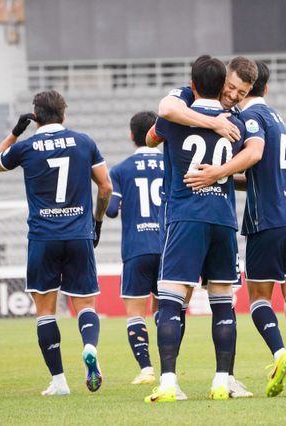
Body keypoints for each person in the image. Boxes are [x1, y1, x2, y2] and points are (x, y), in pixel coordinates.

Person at [183, 61, 286, 398]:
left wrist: (217, 173)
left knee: (259, 298)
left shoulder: (249, 118)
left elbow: (254, 155)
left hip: (270, 219)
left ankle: (280, 353)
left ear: (244, 90)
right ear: (266, 89)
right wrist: (228, 176)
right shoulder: (276, 118)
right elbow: (262, 172)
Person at [146, 55, 257, 399]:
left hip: (185, 217)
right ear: (222, 84)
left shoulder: (175, 116)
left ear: (192, 84)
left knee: (171, 300)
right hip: (222, 219)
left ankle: (168, 383)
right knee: (223, 301)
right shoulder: (236, 122)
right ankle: (222, 381)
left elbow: (151, 137)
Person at [0, 90, 112, 396]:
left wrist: (15, 132)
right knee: (85, 304)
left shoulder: (26, 147)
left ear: (35, 118)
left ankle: (59, 382)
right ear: (64, 115)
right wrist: (96, 222)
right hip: (79, 235)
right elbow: (106, 187)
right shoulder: (84, 142)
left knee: (45, 311)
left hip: (43, 237)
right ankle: (89, 347)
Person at [104, 111, 162, 386]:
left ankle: (146, 369)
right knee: (166, 311)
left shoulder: (120, 170)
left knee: (136, 312)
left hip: (137, 248)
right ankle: (170, 368)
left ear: (131, 135)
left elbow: (111, 210)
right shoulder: (172, 164)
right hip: (169, 248)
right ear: (158, 134)